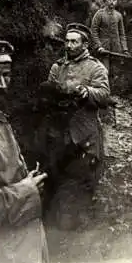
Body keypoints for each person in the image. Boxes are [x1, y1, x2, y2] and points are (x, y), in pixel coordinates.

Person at [0, 39, 49, 263]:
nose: (2, 84)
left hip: (20, 248)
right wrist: (27, 189)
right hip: (5, 259)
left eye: (6, 75)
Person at [44, 23, 110, 230]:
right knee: (58, 173)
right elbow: (49, 92)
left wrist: (87, 92)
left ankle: (82, 224)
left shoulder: (96, 67)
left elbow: (104, 95)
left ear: (85, 44)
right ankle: (55, 220)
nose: (69, 45)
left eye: (74, 41)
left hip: (84, 131)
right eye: (67, 41)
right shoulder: (57, 67)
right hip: (59, 129)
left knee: (84, 176)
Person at [90, 0, 129, 73]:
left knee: (116, 71)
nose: (112, 2)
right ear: (106, 1)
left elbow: (122, 34)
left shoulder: (118, 15)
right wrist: (99, 46)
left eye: (114, 0)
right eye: (110, 0)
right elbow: (94, 31)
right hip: (103, 48)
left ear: (116, 2)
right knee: (104, 71)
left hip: (116, 48)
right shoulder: (99, 14)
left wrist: (124, 49)